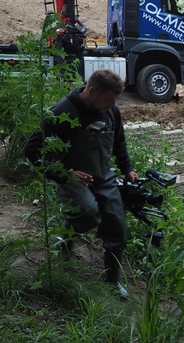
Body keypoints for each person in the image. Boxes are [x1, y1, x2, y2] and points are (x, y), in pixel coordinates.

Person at [24, 69, 137, 297]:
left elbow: (119, 143)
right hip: (72, 178)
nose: (112, 104)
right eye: (108, 99)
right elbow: (31, 150)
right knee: (88, 213)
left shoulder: (112, 111)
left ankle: (112, 281)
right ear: (92, 91)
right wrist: (65, 173)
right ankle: (64, 241)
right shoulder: (61, 112)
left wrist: (128, 169)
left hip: (104, 176)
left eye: (115, 100)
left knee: (117, 228)